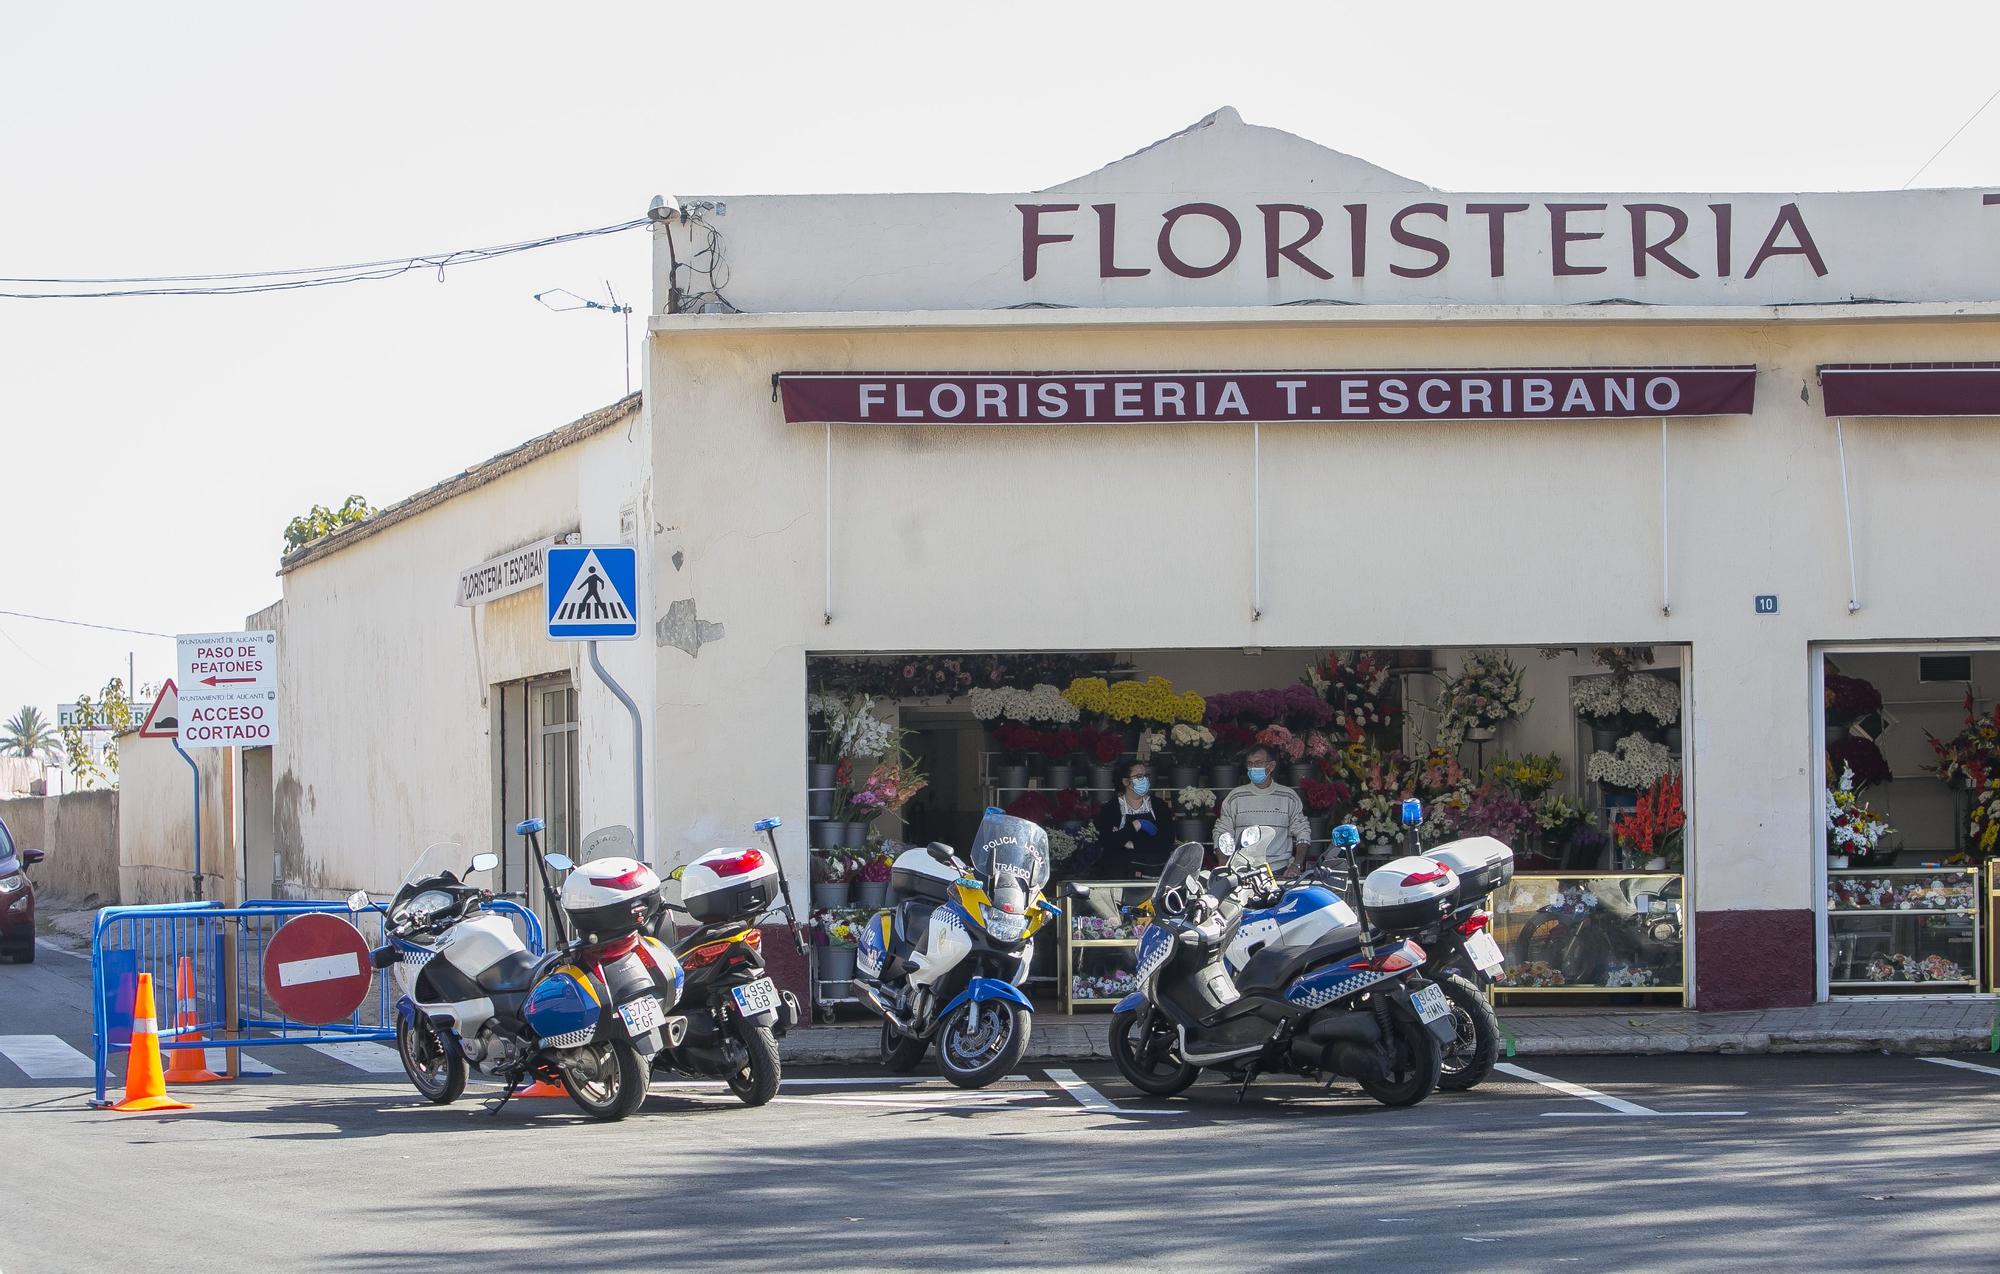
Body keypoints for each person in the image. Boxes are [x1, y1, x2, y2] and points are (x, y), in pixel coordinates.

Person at [1212, 745, 1313, 873]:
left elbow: (1302, 831)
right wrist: (1223, 863)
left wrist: (1297, 865)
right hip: (1242, 870)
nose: (1253, 768)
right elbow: (1222, 832)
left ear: (1271, 766)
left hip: (1279, 870)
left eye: (1258, 763)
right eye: (1250, 764)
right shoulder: (1235, 796)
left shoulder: (1288, 796)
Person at [1092, 761, 1171, 879]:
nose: (1144, 779)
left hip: (1154, 871)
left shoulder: (1159, 806)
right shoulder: (1111, 808)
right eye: (1139, 776)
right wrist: (1136, 825)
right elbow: (1109, 842)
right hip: (1121, 873)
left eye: (1146, 776)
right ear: (1125, 782)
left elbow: (1166, 840)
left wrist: (1132, 844)